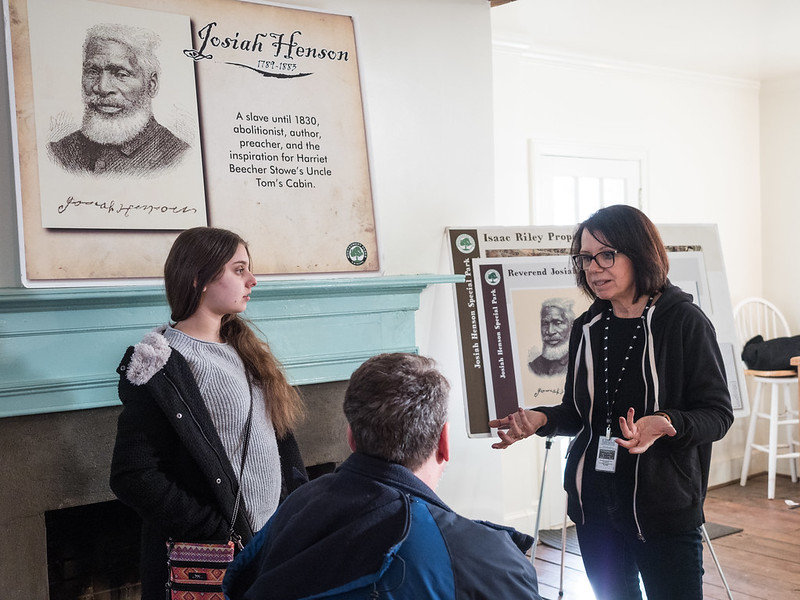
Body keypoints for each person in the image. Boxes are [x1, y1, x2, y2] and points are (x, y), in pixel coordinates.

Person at [489, 205, 734, 600]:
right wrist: (539, 419)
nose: (593, 268)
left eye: (606, 255)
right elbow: (578, 413)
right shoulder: (587, 327)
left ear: (639, 253)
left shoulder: (684, 322)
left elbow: (718, 414)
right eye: (585, 258)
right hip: (595, 506)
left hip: (663, 509)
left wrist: (666, 423)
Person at [223, 352, 543, 600]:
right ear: (444, 442)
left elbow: (240, 582)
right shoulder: (482, 557)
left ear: (351, 437)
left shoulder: (298, 504)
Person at [109, 227, 307, 600]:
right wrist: (213, 530)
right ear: (199, 278)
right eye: (238, 270)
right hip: (219, 554)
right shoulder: (159, 363)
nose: (252, 280)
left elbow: (280, 440)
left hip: (268, 543)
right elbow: (132, 475)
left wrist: (297, 514)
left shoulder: (244, 350)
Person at [49, 23, 189, 176]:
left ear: (151, 85)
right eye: (93, 71)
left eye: (121, 74)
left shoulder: (178, 157)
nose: (102, 88)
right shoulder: (59, 153)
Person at [529, 297, 575, 377]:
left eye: (557, 323)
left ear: (571, 325)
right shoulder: (534, 366)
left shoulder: (579, 362)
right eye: (545, 323)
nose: (550, 331)